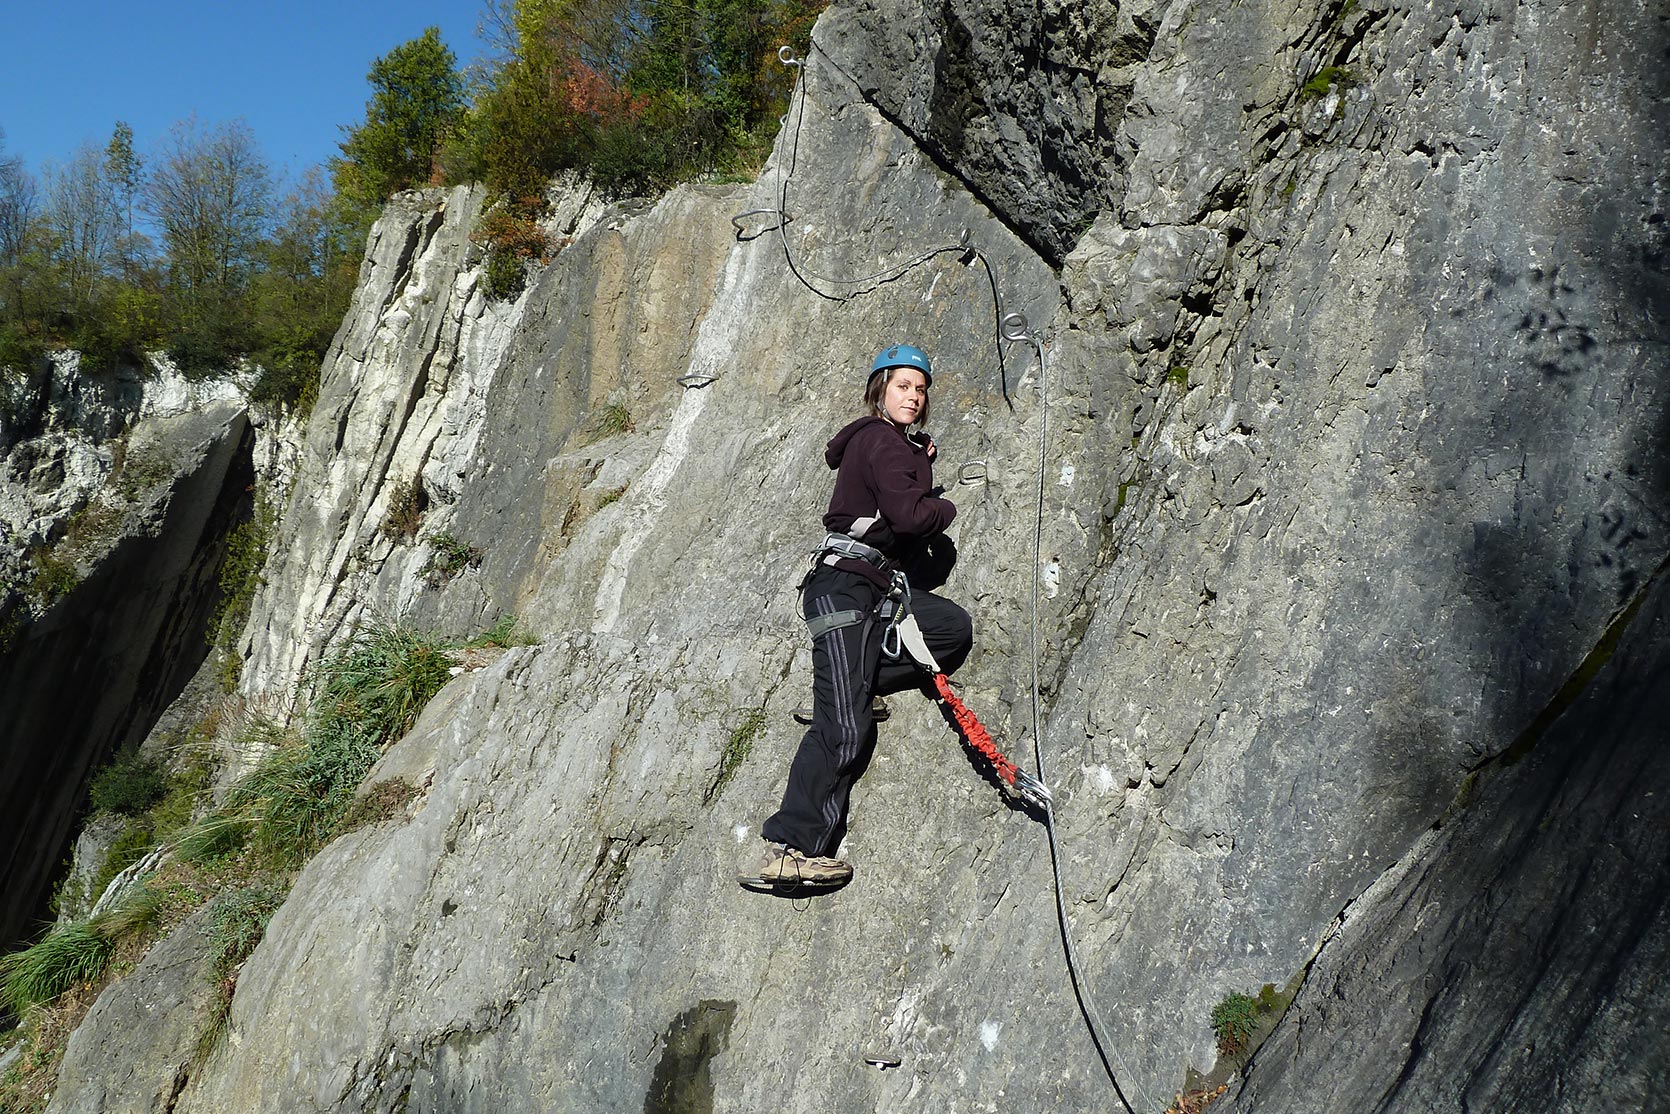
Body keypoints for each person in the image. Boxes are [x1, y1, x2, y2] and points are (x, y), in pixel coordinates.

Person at [741, 343, 974, 890]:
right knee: (846, 727)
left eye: (920, 389)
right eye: (902, 386)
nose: (913, 397)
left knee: (949, 628)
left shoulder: (888, 446)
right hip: (846, 588)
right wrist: (947, 504)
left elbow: (896, 494)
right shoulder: (880, 440)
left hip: (870, 593)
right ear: (880, 390)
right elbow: (912, 516)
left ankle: (850, 681)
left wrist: (921, 457)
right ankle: (792, 848)